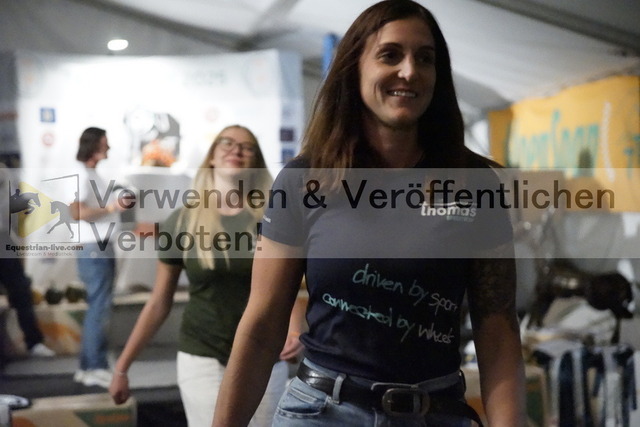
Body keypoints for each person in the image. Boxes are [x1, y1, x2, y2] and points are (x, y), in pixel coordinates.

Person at [213, 1, 525, 426]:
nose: (409, 71)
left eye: (425, 58)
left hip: (435, 412)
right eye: (390, 55)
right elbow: (263, 323)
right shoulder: (305, 180)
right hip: (321, 412)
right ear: (354, 68)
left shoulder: (474, 183)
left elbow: (498, 330)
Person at [109, 125, 307, 427]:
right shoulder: (183, 220)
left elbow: (290, 289)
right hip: (202, 357)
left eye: (246, 146)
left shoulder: (275, 217)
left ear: (256, 161)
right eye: (226, 143)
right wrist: (122, 368)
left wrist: (294, 332)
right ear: (212, 157)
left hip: (263, 354)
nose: (236, 149)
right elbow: (159, 302)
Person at [70, 127, 127, 388]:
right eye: (105, 143)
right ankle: (94, 366)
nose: (109, 148)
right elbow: (77, 212)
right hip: (94, 247)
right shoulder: (81, 174)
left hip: (99, 244)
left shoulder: (90, 174)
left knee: (99, 306)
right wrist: (112, 207)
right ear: (93, 145)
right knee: (99, 307)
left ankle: (88, 366)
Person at [0, 164, 55, 358]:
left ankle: (34, 342)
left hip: (4, 240)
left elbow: (16, 208)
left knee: (21, 292)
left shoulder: (5, 174)